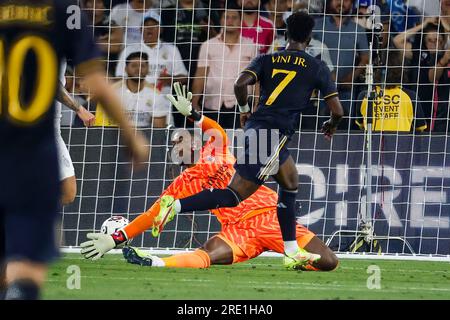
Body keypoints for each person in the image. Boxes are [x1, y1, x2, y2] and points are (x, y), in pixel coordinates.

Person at [80, 82, 339, 271]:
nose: (184, 143)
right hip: (239, 231)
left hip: (270, 215)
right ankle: (156, 262)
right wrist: (116, 238)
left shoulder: (214, 149)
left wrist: (193, 115)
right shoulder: (183, 183)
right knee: (209, 254)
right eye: (177, 144)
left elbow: (214, 128)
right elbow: (152, 215)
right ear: (176, 155)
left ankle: (292, 260)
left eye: (185, 137)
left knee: (329, 262)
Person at [155, 12, 344, 270]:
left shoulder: (267, 58)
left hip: (262, 130)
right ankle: (175, 205)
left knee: (290, 182)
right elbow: (338, 111)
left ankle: (291, 251)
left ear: (285, 35)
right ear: (309, 38)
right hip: (272, 133)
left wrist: (244, 108)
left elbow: (240, 83)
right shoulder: (316, 66)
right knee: (235, 194)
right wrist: (331, 125)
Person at [0, 0, 149, 300]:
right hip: (33, 146)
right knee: (28, 268)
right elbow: (95, 78)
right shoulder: (65, 12)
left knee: (65, 195)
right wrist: (130, 133)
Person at [191, 4, 259, 129]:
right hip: (212, 104)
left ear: (240, 21)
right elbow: (201, 74)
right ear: (221, 20)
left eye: (234, 17)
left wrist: (256, 103)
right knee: (211, 145)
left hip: (241, 107)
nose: (230, 21)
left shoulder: (251, 46)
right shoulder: (208, 45)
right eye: (226, 17)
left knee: (237, 145)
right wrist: (194, 102)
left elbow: (256, 79)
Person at [355, 51, 428, 132]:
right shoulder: (411, 96)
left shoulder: (365, 96)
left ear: (376, 69)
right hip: (401, 144)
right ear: (401, 70)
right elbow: (420, 130)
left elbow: (361, 127)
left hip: (372, 143)